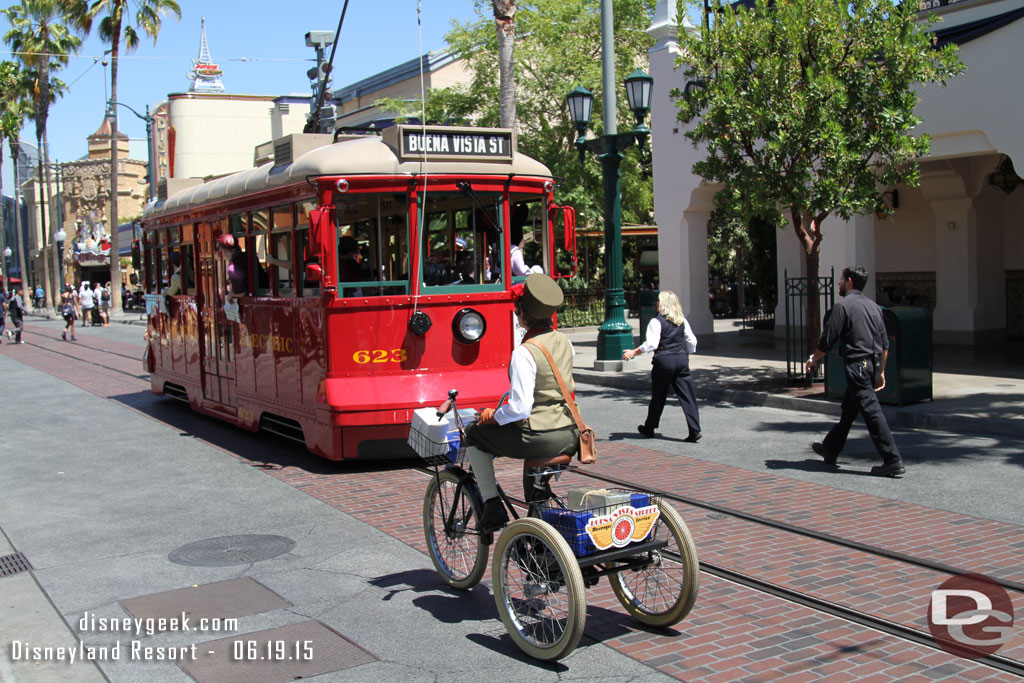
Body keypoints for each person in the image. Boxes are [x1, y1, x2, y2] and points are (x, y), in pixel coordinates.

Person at [463, 273, 580, 532]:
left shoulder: (524, 352)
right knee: (535, 487)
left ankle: (492, 507)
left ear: (523, 316)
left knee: (473, 433)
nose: (516, 316)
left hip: (541, 436)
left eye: (517, 312)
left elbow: (520, 408)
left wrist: (492, 416)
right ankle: (541, 532)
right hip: (570, 434)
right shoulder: (564, 341)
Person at [806, 266, 905, 477]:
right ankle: (831, 448)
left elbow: (827, 342)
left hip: (856, 366)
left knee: (872, 412)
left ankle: (892, 460)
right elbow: (884, 345)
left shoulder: (843, 308)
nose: (839, 283)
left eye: (841, 279)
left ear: (849, 281)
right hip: (869, 365)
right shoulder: (875, 307)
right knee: (849, 410)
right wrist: (880, 372)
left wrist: (813, 359)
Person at [623, 290, 702, 442]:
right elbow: (692, 340)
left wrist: (634, 352)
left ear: (663, 304)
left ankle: (650, 427)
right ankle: (694, 430)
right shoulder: (682, 320)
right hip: (680, 359)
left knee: (658, 396)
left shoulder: (656, 321)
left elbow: (652, 344)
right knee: (688, 396)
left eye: (658, 301)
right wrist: (687, 354)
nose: (656, 304)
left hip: (664, 359)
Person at [216, 235, 246, 303]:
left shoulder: (233, 268)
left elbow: (241, 293)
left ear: (223, 250)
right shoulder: (248, 256)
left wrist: (231, 295)